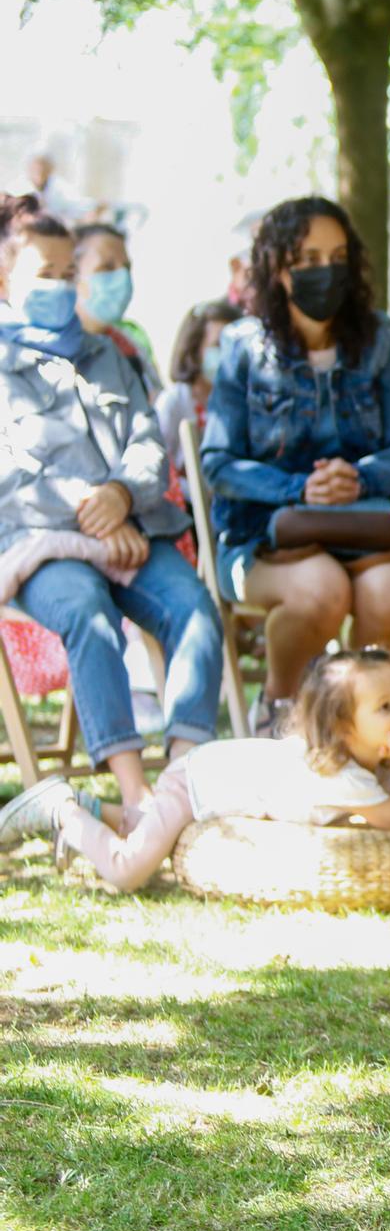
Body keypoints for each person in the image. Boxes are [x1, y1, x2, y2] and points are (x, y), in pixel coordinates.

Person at [0, 193, 222, 815]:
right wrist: (96, 519)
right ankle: (134, 793)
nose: (64, 286)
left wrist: (123, 495)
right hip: (38, 545)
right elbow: (14, 472)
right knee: (88, 614)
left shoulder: (108, 353)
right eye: (45, 275)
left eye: (70, 274)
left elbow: (147, 441)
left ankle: (181, 780)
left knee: (195, 609)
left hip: (130, 529)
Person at [201, 196, 390, 730]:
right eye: (305, 259)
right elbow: (217, 463)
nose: (324, 271)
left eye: (336, 256)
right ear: (276, 269)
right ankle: (280, 714)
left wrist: (361, 477)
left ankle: (357, 723)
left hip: (367, 524)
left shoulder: (379, 338)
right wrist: (298, 489)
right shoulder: (241, 347)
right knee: (321, 589)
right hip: (263, 537)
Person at [0, 648, 390, 892]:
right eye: (385, 706)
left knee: (146, 829)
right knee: (127, 870)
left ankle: (92, 807)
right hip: (195, 783)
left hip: (208, 772)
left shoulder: (364, 756)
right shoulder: (339, 774)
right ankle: (62, 809)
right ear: (343, 727)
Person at [156, 300, 242, 479]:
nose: (227, 354)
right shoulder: (173, 402)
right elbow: (158, 469)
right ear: (194, 349)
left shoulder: (242, 402)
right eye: (218, 346)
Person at [73, 223, 161, 394]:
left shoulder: (130, 345)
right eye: (107, 267)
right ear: (72, 274)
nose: (122, 277)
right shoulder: (58, 351)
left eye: (126, 267)